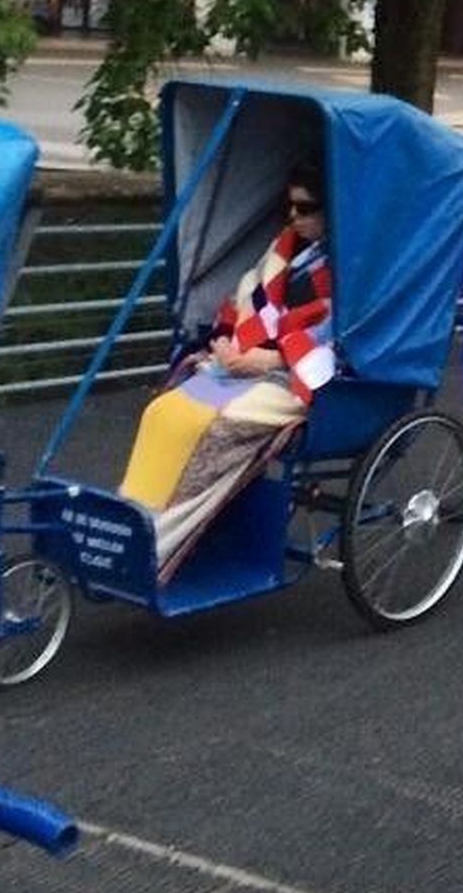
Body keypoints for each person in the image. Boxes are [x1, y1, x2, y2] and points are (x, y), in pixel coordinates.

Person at [119, 161, 335, 580]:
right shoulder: (284, 250)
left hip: (298, 378)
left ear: (330, 210)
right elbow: (242, 301)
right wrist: (223, 338)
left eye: (305, 208)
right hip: (243, 363)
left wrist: (270, 359)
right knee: (163, 412)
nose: (293, 217)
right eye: (288, 207)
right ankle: (135, 519)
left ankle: (159, 542)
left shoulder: (347, 267)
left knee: (211, 429)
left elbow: (335, 339)